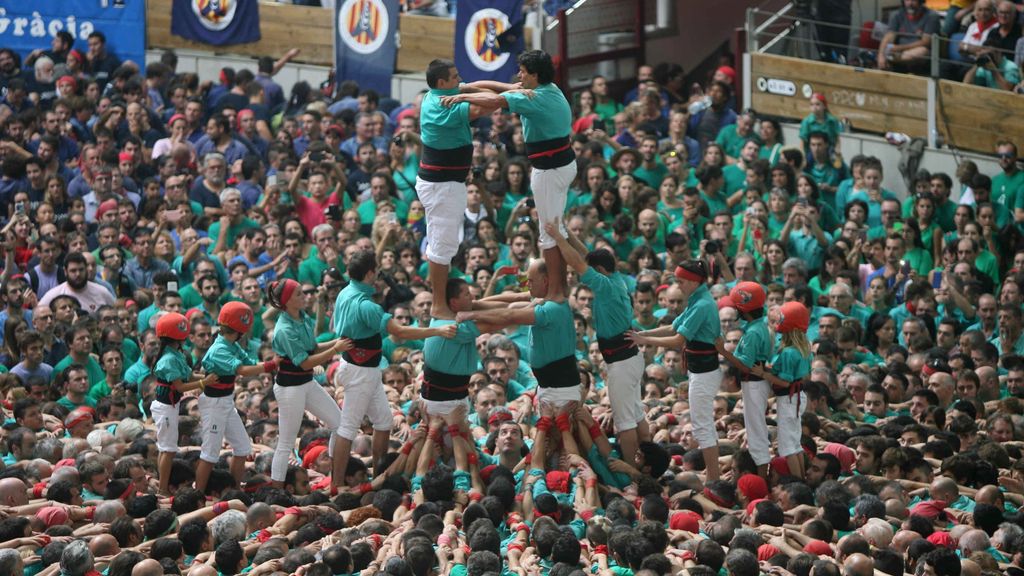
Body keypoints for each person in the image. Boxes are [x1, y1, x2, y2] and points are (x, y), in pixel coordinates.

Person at [442, 50, 575, 296]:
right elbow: (501, 87)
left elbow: (494, 101)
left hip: (550, 168)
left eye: (523, 72)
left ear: (534, 75)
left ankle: (557, 289)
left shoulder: (535, 97)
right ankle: (559, 286)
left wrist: (461, 97)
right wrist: (465, 86)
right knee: (554, 229)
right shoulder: (547, 88)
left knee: (549, 232)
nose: (519, 76)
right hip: (556, 163)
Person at [331, 251, 454, 486]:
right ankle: (335, 486)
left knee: (384, 422)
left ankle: (378, 475)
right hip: (360, 370)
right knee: (347, 428)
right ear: (369, 273)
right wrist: (436, 331)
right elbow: (401, 332)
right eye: (375, 269)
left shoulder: (345, 292)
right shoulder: (366, 305)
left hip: (357, 365)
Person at [546, 217, 647, 465]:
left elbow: (578, 263)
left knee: (625, 422)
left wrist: (558, 239)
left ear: (599, 272)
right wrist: (566, 231)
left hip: (622, 362)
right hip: (630, 358)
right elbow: (586, 255)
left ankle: (631, 470)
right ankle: (648, 457)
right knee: (636, 413)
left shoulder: (605, 286)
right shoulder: (615, 278)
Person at [630, 259, 722, 480]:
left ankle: (713, 478)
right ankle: (713, 474)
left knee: (702, 427)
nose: (679, 285)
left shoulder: (702, 304)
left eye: (681, 281)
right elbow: (673, 326)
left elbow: (678, 339)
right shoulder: (697, 299)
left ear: (692, 281)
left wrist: (643, 338)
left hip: (704, 372)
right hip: (700, 370)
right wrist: (643, 335)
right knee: (703, 426)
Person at [415, 59, 494, 319]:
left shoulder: (435, 96)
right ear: (442, 83)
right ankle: (438, 304)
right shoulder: (441, 105)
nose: (460, 80)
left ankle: (439, 297)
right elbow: (489, 103)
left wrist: (465, 89)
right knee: (441, 245)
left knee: (444, 244)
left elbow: (474, 90)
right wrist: (510, 92)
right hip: (442, 185)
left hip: (445, 182)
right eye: (455, 77)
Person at [267, 279, 352, 491]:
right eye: (298, 294)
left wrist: (338, 342)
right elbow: (305, 361)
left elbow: (313, 347)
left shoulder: (302, 317)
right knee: (286, 442)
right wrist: (336, 349)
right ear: (287, 301)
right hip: (290, 388)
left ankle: (336, 477)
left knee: (339, 423)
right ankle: (276, 491)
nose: (304, 296)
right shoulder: (283, 329)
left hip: (306, 382)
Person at [195, 302, 277, 494]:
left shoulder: (232, 344)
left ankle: (234, 489)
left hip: (226, 402)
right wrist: (271, 364)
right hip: (214, 404)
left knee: (242, 448)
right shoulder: (219, 349)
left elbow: (249, 363)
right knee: (210, 454)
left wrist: (270, 362)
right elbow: (242, 370)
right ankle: (197, 493)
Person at [152, 313, 215, 495]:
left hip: (170, 406)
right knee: (168, 449)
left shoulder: (176, 354)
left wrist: (209, 378)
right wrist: (206, 382)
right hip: (165, 407)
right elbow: (180, 386)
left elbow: (188, 376)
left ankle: (162, 485)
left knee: (166, 448)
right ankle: (163, 489)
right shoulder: (168, 359)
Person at [716, 282, 772, 477]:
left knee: (756, 433)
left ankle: (762, 479)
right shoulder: (758, 326)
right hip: (756, 382)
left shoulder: (753, 332)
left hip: (754, 382)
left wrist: (723, 351)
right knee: (756, 430)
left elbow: (745, 365)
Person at [755, 301, 811, 479]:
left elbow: (785, 382)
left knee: (787, 447)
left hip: (788, 398)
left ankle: (798, 482)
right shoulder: (804, 348)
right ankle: (802, 478)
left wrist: (762, 373)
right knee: (795, 444)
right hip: (797, 396)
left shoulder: (788, 352)